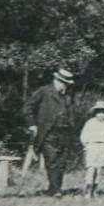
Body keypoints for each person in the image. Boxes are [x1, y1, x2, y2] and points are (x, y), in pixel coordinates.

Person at [25, 67, 77, 196]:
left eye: (66, 84)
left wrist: (72, 127)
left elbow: (70, 114)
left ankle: (54, 188)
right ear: (56, 80)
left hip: (64, 133)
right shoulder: (44, 91)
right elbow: (28, 107)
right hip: (48, 132)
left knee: (61, 161)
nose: (64, 86)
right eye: (62, 82)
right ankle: (56, 190)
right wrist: (32, 124)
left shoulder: (68, 97)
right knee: (52, 159)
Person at [79, 101, 104, 198]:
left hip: (102, 146)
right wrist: (86, 145)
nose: (101, 115)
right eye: (98, 112)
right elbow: (83, 136)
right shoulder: (90, 123)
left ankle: (95, 189)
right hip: (92, 146)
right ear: (95, 113)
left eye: (103, 112)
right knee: (91, 168)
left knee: (99, 169)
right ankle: (88, 190)